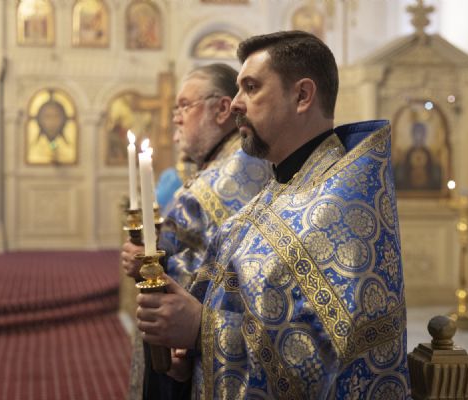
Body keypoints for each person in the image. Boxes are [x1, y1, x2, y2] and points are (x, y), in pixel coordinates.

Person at [135, 31, 410, 399]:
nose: (235, 103)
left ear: (302, 96)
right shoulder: (280, 188)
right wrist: (192, 354)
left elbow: (320, 360)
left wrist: (201, 329)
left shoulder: (342, 209)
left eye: (251, 88)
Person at [122, 63, 272, 399]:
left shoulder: (222, 180)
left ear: (222, 109)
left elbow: (198, 278)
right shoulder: (234, 163)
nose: (176, 118)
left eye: (184, 106)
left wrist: (149, 262)